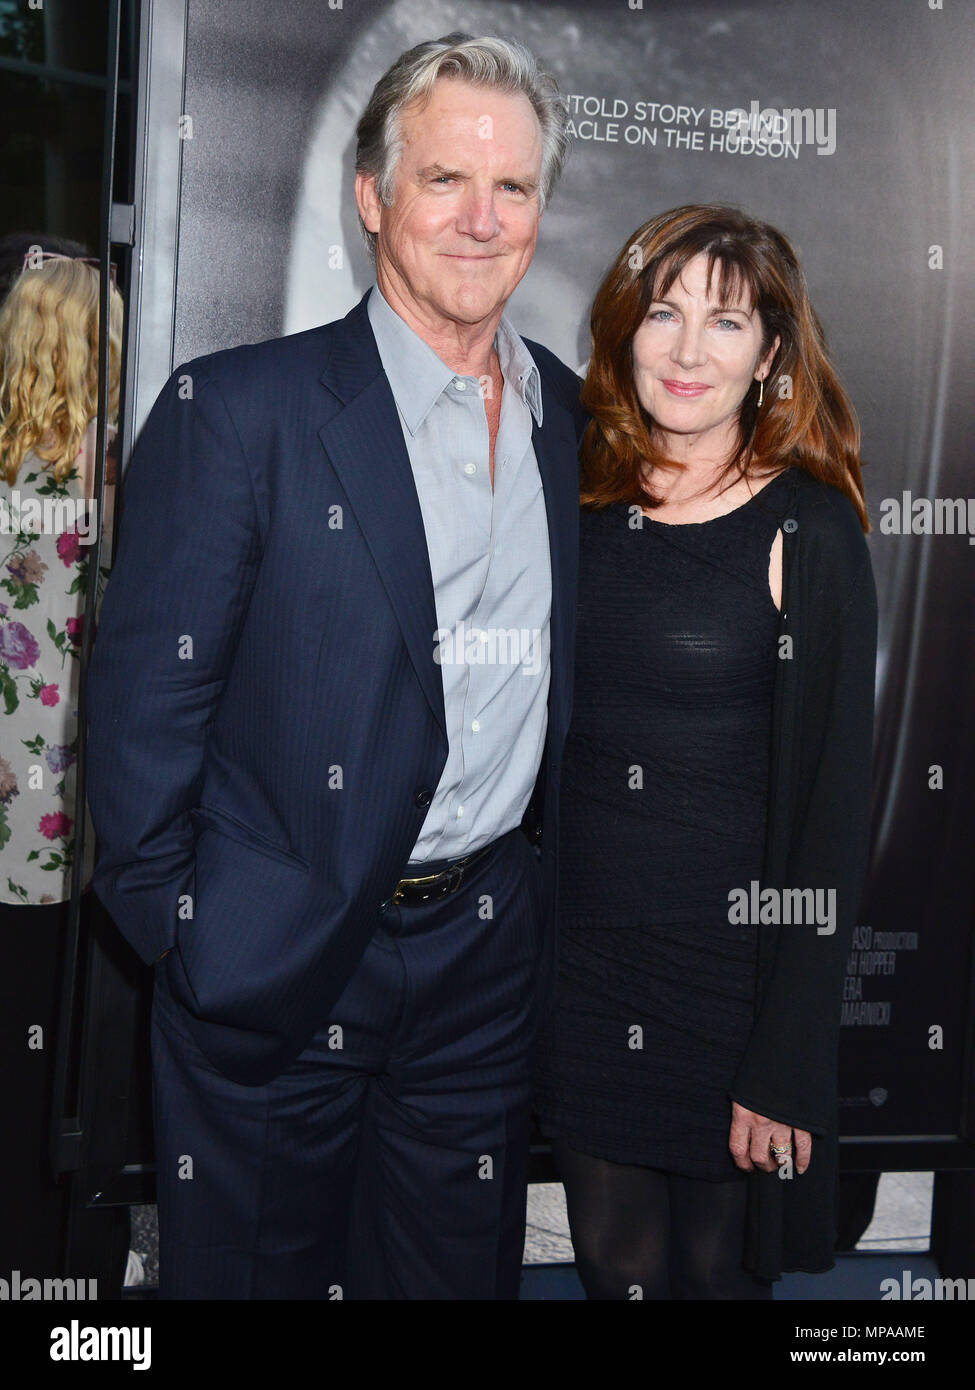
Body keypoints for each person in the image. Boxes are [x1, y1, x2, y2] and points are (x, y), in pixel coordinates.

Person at [85, 33, 584, 1300]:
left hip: (479, 968)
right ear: (372, 197)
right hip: (275, 966)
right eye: (443, 181)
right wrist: (201, 943)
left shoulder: (568, 420)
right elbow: (143, 723)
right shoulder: (239, 414)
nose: (481, 219)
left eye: (513, 187)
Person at [533, 204, 877, 1298]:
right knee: (615, 1269)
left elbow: (828, 814)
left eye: (725, 325)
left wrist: (786, 1062)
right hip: (585, 974)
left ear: (772, 353)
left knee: (718, 1281)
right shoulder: (569, 494)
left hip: (731, 990)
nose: (686, 352)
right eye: (663, 314)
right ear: (624, 329)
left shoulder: (809, 531)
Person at [0, 247, 122, 1271]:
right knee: (69, 1066)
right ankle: (59, 1274)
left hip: (11, 824)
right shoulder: (121, 479)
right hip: (86, 830)